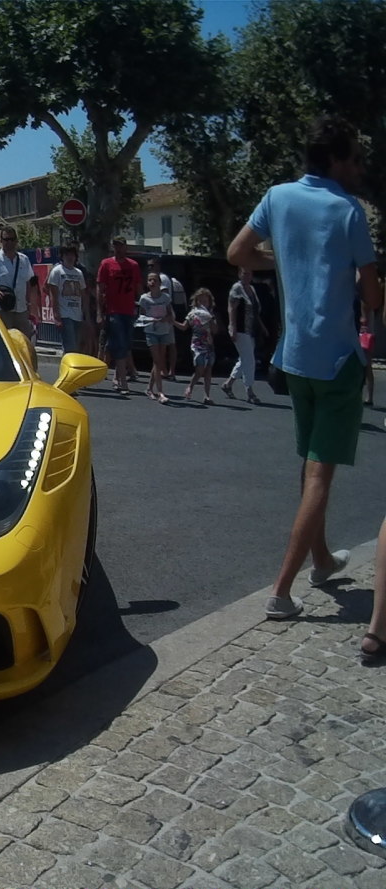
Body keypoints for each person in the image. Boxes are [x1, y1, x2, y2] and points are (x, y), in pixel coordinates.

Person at [227, 114, 381, 624]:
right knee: (320, 474)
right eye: (354, 157)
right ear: (336, 160)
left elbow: (238, 252)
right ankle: (282, 590)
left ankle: (320, 561)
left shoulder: (278, 197)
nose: (359, 167)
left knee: (308, 461)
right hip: (337, 356)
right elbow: (372, 294)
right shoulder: (348, 211)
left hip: (294, 357)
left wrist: (285, 263)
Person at [96, 236, 143, 394]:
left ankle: (117, 378)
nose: (118, 249)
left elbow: (138, 288)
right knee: (120, 343)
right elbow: (100, 288)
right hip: (113, 310)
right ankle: (123, 382)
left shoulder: (133, 265)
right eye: (115, 246)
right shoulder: (106, 264)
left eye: (121, 246)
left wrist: (145, 307)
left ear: (125, 247)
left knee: (126, 344)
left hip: (129, 310)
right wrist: (99, 312)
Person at [221, 266, 269, 404]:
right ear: (239, 274)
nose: (247, 276)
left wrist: (262, 327)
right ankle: (250, 390)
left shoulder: (252, 289)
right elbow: (231, 308)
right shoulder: (237, 288)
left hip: (251, 329)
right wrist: (232, 326)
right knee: (250, 359)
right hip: (241, 329)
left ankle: (228, 384)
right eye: (244, 273)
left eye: (249, 273)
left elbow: (255, 311)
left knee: (245, 358)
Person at [173, 288, 217, 403]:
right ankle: (190, 386)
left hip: (209, 344)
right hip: (197, 344)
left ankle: (207, 396)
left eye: (205, 301)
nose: (203, 303)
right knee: (200, 369)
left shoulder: (210, 314)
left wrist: (211, 319)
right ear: (196, 301)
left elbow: (215, 330)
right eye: (200, 301)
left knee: (208, 369)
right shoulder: (192, 314)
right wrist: (172, 321)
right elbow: (184, 327)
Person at [137, 272, 174, 403]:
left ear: (159, 283)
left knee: (159, 361)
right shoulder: (144, 299)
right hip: (151, 331)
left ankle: (149, 388)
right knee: (157, 361)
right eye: (149, 280)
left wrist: (165, 319)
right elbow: (141, 315)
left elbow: (170, 314)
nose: (152, 282)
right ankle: (161, 393)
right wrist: (149, 319)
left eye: (154, 280)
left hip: (163, 331)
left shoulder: (165, 298)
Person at [46, 245, 90, 354]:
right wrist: (57, 317)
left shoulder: (78, 273)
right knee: (70, 348)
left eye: (72, 255)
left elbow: (84, 295)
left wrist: (87, 316)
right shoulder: (57, 271)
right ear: (62, 256)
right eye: (67, 254)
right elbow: (53, 295)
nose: (70, 257)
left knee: (77, 348)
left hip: (77, 315)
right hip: (65, 315)